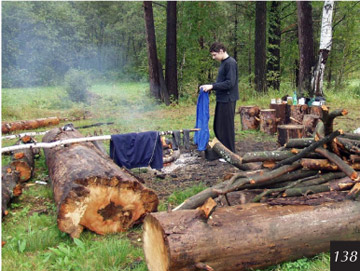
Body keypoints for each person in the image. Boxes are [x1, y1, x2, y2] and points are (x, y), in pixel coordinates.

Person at [200, 42, 239, 153]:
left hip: (228, 99)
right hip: (222, 99)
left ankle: (230, 152)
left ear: (221, 51)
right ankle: (222, 150)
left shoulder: (230, 63)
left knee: (227, 128)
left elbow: (230, 83)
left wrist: (212, 86)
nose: (213, 58)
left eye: (214, 55)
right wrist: (209, 86)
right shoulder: (223, 62)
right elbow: (222, 82)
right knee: (219, 126)